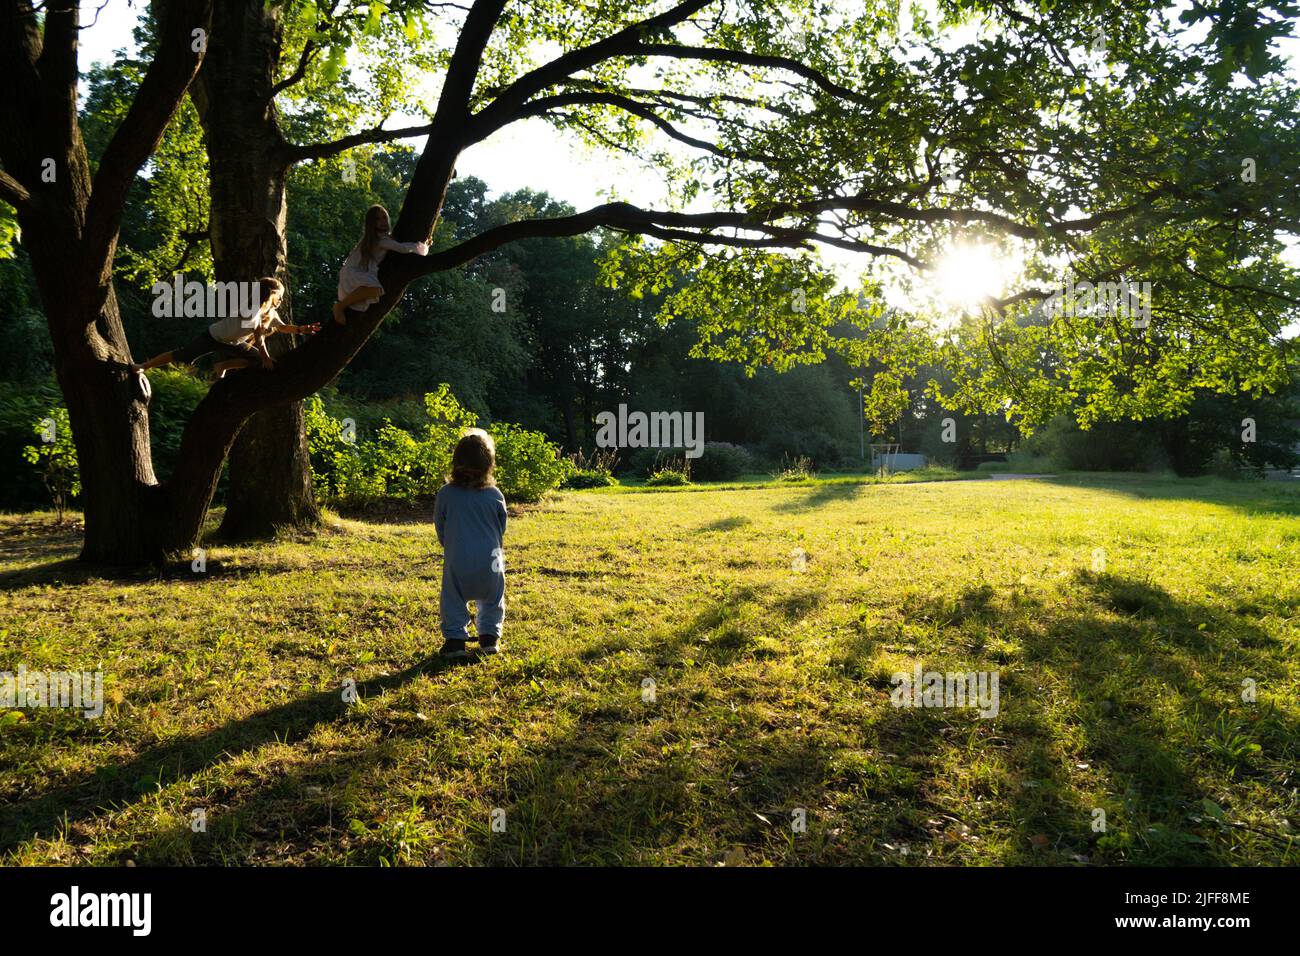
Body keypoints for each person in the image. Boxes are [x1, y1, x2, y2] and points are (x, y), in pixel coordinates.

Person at [131, 277, 317, 380]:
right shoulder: (251, 309)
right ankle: (143, 366)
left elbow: (283, 327)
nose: (282, 301)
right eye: (280, 297)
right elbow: (259, 339)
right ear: (271, 296)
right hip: (214, 337)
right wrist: (266, 357)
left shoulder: (270, 312)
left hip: (235, 343)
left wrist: (301, 329)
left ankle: (223, 366)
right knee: (184, 354)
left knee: (256, 360)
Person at [433, 429, 507, 658]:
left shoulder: (446, 494)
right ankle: (488, 638)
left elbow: (441, 526)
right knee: (493, 598)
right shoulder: (495, 494)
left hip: (459, 560)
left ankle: (455, 641)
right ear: (489, 465)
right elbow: (501, 526)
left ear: (455, 462)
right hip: (492, 560)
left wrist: (453, 545)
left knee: (453, 598)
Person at [334, 204, 428, 325]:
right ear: (371, 223)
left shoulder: (378, 239)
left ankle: (342, 306)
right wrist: (423, 248)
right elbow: (403, 248)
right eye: (377, 219)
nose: (382, 221)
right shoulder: (380, 240)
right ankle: (340, 306)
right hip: (353, 272)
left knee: (374, 290)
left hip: (354, 272)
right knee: (375, 289)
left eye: (384, 217)